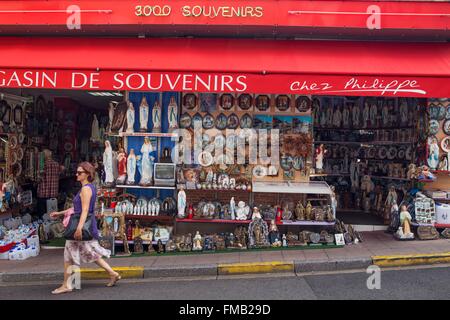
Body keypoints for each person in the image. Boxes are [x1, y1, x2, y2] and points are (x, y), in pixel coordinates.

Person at [50, 162, 120, 295]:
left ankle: (67, 285)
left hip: (82, 226)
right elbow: (77, 209)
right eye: (77, 172)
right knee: (90, 253)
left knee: (68, 256)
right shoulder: (89, 188)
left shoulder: (86, 189)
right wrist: (59, 213)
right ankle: (112, 273)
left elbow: (85, 210)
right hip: (85, 225)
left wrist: (79, 228)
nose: (76, 174)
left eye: (80, 172)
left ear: (88, 174)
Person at [37, 149, 63, 218]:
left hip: (43, 194)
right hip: (53, 194)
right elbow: (63, 169)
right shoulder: (57, 165)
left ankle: (42, 227)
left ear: (44, 156)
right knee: (52, 214)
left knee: (42, 216)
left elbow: (38, 178)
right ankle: (51, 227)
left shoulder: (42, 165)